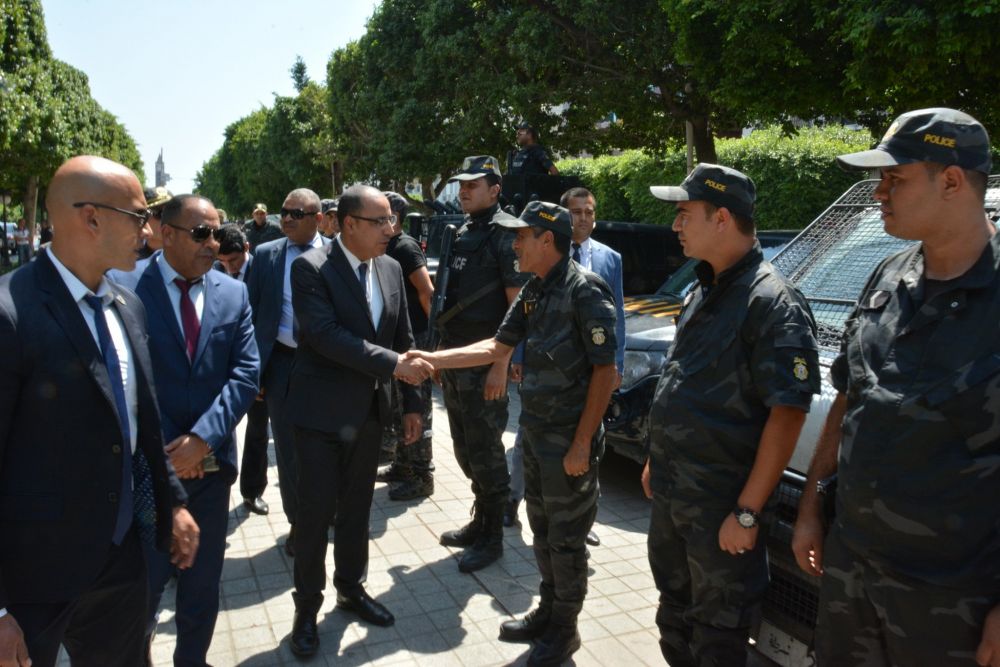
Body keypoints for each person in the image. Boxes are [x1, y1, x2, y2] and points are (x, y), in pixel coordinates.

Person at [791, 108, 1000, 667]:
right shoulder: (887, 275)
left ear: (951, 181)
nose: (879, 192)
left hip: (953, 599)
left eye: (895, 178)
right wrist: (810, 508)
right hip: (852, 571)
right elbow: (849, 399)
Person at [0, 155, 199, 667]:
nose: (148, 231)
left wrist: (173, 504)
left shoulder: (127, 306)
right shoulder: (10, 314)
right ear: (91, 218)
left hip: (120, 560)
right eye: (138, 217)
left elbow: (141, 425)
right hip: (32, 578)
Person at [409, 201, 617, 666]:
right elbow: (495, 346)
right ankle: (548, 611)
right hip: (538, 436)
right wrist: (433, 358)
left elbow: (606, 373)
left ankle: (565, 630)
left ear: (547, 240)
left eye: (522, 236)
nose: (515, 244)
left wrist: (582, 442)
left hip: (569, 444)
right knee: (542, 531)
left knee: (566, 541)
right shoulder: (535, 290)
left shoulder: (585, 289)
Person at [641, 163, 820, 666]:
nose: (675, 225)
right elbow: (682, 381)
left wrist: (746, 512)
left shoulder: (773, 302)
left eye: (684, 213)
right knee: (674, 623)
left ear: (721, 218)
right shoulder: (703, 289)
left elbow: (788, 414)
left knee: (717, 639)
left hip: (722, 513)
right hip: (677, 501)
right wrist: (657, 458)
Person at [285, 185, 431, 657]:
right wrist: (393, 365)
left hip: (368, 415)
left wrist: (413, 405)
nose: (391, 228)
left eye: (391, 219)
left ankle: (351, 588)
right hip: (319, 416)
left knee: (357, 509)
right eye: (380, 221)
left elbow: (405, 338)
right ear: (349, 224)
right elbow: (325, 335)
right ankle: (307, 609)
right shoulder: (310, 268)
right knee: (314, 517)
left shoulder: (390, 267)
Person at [115, 195, 259, 666]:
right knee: (144, 589)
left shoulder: (233, 292)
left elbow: (245, 374)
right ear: (166, 233)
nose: (212, 243)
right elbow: (122, 383)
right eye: (201, 233)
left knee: (201, 586)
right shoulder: (123, 288)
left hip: (211, 473)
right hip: (147, 476)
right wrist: (167, 456)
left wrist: (201, 441)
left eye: (217, 232)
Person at [505, 187, 626, 530]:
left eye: (589, 212)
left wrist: (616, 363)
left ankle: (582, 522)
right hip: (544, 383)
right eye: (576, 212)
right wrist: (516, 357)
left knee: (582, 453)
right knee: (526, 440)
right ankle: (512, 499)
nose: (583, 218)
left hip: (584, 379)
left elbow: (616, 314)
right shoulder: (540, 267)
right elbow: (518, 324)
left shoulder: (607, 261)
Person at [435, 155, 527, 573]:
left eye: (473, 185)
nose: (464, 191)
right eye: (462, 184)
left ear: (495, 189)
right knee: (464, 449)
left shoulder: (506, 234)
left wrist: (501, 365)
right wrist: (440, 353)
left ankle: (493, 536)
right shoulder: (462, 232)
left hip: (486, 361)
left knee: (487, 452)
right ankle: (481, 519)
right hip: (457, 357)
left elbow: (517, 308)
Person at [245, 190, 331, 554]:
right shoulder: (266, 255)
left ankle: (327, 511)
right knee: (288, 447)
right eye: (284, 212)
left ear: (318, 218)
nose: (287, 218)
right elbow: (249, 315)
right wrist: (254, 373)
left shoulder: (337, 254)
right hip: (281, 363)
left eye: (297, 213)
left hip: (326, 366)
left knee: (328, 445)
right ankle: (299, 522)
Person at [376, 191, 436, 500]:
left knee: (418, 406)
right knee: (400, 406)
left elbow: (427, 291)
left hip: (416, 338)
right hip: (397, 339)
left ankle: (423, 475)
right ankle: (403, 466)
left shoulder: (405, 247)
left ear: (394, 217)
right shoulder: (385, 246)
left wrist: (433, 340)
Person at [213, 225, 270, 515]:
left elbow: (267, 326)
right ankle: (215, 490)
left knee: (257, 431)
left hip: (258, 368)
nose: (229, 267)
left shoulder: (264, 272)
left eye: (233, 261)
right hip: (222, 369)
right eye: (222, 261)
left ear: (246, 248)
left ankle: (252, 491)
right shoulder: (212, 272)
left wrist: (258, 374)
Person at [138, 186, 173, 262]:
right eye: (160, 213)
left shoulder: (190, 258)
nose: (169, 219)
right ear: (143, 217)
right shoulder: (125, 260)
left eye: (172, 213)